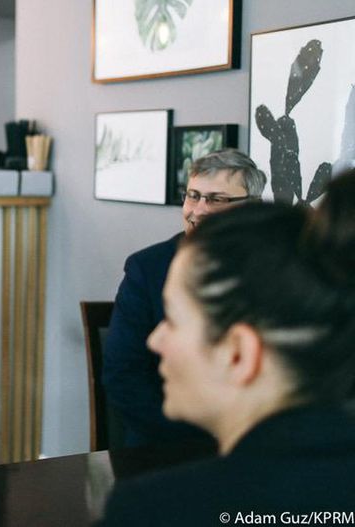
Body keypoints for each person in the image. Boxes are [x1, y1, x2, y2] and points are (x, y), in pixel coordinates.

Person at [99, 172, 355, 526]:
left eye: (174, 320)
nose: (155, 340)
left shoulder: (159, 510)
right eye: (193, 195)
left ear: (239, 353)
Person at [102, 149, 267, 447]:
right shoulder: (148, 269)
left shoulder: (277, 269)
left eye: (216, 199)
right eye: (193, 196)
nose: (199, 210)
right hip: (166, 442)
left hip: (258, 441)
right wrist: (204, 437)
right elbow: (123, 374)